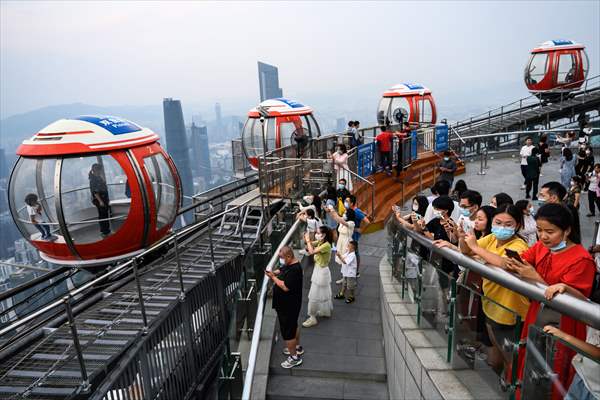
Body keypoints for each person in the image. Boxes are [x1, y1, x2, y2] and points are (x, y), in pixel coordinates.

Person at [504, 204, 595, 400]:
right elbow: (519, 263)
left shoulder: (582, 260)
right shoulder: (542, 247)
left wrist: (533, 276)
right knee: (531, 367)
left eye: (549, 231)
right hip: (537, 316)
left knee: (554, 375)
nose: (543, 236)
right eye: (539, 230)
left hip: (564, 325)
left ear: (567, 230)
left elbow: (569, 301)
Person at [457, 204, 530, 375]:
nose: (502, 228)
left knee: (512, 361)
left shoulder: (519, 245)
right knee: (496, 360)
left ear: (518, 225)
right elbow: (466, 251)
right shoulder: (490, 239)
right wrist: (463, 238)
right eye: (498, 222)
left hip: (510, 313)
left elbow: (505, 263)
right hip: (490, 306)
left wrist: (475, 248)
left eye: (508, 224)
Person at [543, 284, 600, 400]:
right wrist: (566, 288)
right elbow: (586, 303)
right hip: (583, 377)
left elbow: (598, 353)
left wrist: (564, 337)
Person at [266, 246, 304, 368]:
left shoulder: (295, 270)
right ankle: (296, 347)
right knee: (293, 326)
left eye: (281, 257)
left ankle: (294, 357)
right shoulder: (290, 264)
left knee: (288, 332)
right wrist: (274, 273)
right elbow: (282, 270)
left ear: (289, 256)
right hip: (289, 305)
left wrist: (272, 277)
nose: (280, 259)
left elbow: (285, 286)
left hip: (288, 306)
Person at [302, 226, 334, 328]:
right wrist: (307, 240)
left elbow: (311, 252)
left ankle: (312, 317)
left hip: (321, 272)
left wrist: (307, 240)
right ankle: (323, 311)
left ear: (324, 235)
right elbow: (310, 245)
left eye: (318, 233)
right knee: (322, 293)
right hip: (319, 270)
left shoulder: (326, 245)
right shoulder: (321, 242)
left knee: (314, 295)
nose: (316, 234)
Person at [328, 207, 356, 284]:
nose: (344, 214)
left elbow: (340, 220)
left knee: (345, 260)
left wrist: (334, 211)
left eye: (345, 213)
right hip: (341, 241)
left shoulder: (351, 223)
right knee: (341, 259)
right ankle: (344, 277)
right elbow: (335, 217)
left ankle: (346, 278)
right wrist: (331, 211)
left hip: (347, 242)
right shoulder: (343, 221)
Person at [345, 195, 370, 277]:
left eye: (347, 201)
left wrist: (360, 229)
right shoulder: (350, 210)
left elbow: (367, 222)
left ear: (352, 203)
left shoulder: (356, 211)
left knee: (355, 253)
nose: (345, 203)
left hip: (354, 235)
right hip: (349, 234)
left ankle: (356, 272)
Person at [89, 163, 111, 237]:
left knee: (104, 214)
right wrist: (101, 201)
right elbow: (95, 192)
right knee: (103, 215)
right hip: (100, 200)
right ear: (96, 170)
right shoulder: (93, 180)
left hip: (102, 198)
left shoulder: (97, 177)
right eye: (99, 170)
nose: (100, 171)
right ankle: (105, 231)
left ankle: (106, 230)